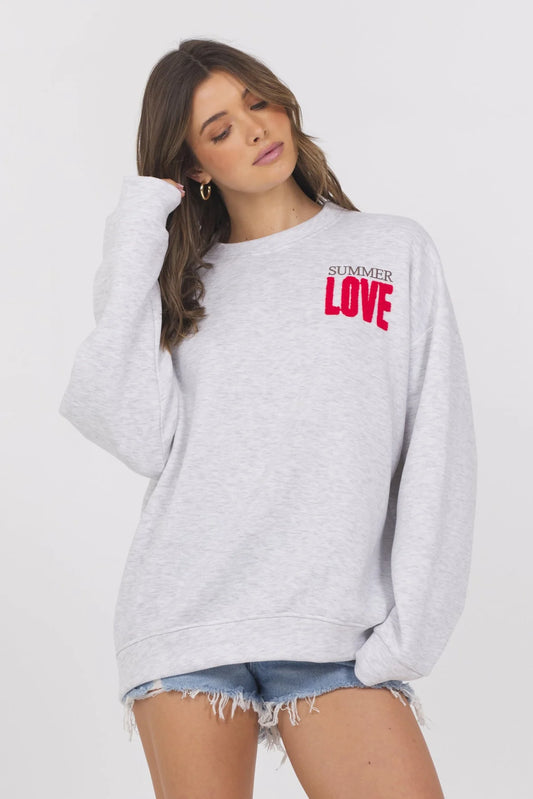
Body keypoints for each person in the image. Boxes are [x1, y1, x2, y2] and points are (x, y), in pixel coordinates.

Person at [59, 37, 477, 799]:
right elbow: (133, 431)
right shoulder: (182, 283)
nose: (253, 129)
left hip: (335, 629)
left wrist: (409, 633)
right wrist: (141, 224)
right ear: (194, 166)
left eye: (256, 102)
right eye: (219, 129)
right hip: (186, 616)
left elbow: (437, 448)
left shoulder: (389, 250)